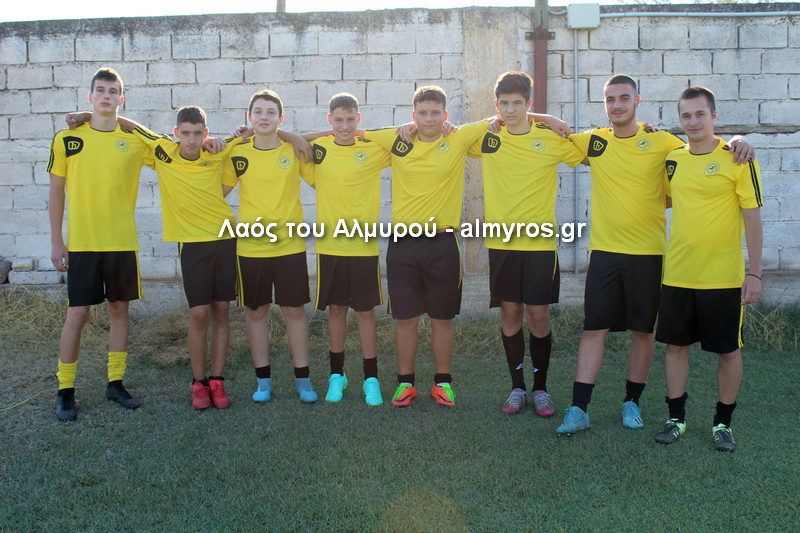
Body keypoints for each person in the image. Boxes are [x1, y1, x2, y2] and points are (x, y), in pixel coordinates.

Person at [555, 74, 755, 435]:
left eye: (624, 98)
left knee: (643, 330)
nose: (617, 104)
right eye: (610, 99)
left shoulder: (664, 143)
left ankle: (632, 402)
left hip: (649, 253)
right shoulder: (595, 141)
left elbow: (704, 149)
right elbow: (558, 135)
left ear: (638, 101)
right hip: (604, 251)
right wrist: (532, 118)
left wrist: (739, 140)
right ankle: (579, 408)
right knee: (594, 328)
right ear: (604, 104)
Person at [468, 72, 584, 416]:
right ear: (496, 105)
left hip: (539, 245)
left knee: (538, 315)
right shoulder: (488, 138)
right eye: (504, 103)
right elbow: (450, 134)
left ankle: (541, 389)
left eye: (518, 103)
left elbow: (589, 152)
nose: (510, 110)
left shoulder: (549, 138)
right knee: (510, 312)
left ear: (528, 103)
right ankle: (517, 388)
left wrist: (546, 120)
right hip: (502, 244)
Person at [653, 86, 762, 452]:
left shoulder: (738, 159)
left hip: (723, 277)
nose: (693, 121)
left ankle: (722, 424)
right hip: (678, 274)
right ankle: (676, 419)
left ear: (713, 115)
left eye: (700, 114)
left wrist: (755, 272)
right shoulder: (673, 160)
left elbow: (752, 218)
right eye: (686, 115)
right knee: (675, 348)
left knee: (728, 352)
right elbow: (661, 198)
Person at [48, 67, 153, 421]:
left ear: (121, 99)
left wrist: (119, 120)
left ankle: (115, 383)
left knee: (120, 310)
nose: (106, 96)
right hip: (82, 243)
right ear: (90, 95)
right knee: (77, 313)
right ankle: (65, 391)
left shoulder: (133, 141)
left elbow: (163, 145)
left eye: (113, 91)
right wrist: (57, 241)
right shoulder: (67, 139)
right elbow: (56, 191)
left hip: (121, 242)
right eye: (101, 90)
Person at [221, 89, 318, 403]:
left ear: (280, 118)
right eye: (258, 112)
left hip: (289, 245)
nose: (264, 117)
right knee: (256, 312)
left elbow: (319, 177)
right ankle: (263, 381)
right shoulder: (237, 152)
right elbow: (218, 191)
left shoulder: (293, 149)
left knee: (294, 311)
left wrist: (296, 137)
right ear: (249, 117)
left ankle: (303, 380)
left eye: (270, 112)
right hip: (252, 248)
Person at [310, 93, 391, 405]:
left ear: (359, 119)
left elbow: (401, 137)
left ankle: (371, 378)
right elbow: (290, 139)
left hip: (363, 247)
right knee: (337, 310)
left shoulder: (372, 149)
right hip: (330, 246)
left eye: (350, 120)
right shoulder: (319, 149)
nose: (345, 126)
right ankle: (337, 375)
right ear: (329, 120)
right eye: (338, 120)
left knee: (366, 312)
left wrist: (365, 134)